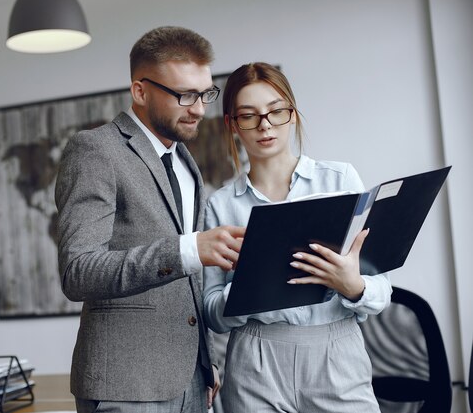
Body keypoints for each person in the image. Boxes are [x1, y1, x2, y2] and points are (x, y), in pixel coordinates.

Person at [54, 26, 245, 413]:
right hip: (124, 386)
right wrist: (189, 249)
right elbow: (78, 271)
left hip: (192, 382)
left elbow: (187, 286)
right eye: (184, 95)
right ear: (140, 91)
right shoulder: (96, 150)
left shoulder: (187, 164)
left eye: (206, 93)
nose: (199, 108)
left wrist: (205, 363)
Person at [203, 62, 392, 413]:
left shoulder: (339, 180)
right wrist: (248, 288)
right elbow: (211, 313)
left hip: (337, 352)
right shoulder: (220, 206)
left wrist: (353, 286)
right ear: (232, 125)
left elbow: (382, 289)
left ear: (292, 113)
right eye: (249, 116)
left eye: (276, 112)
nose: (265, 125)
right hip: (255, 361)